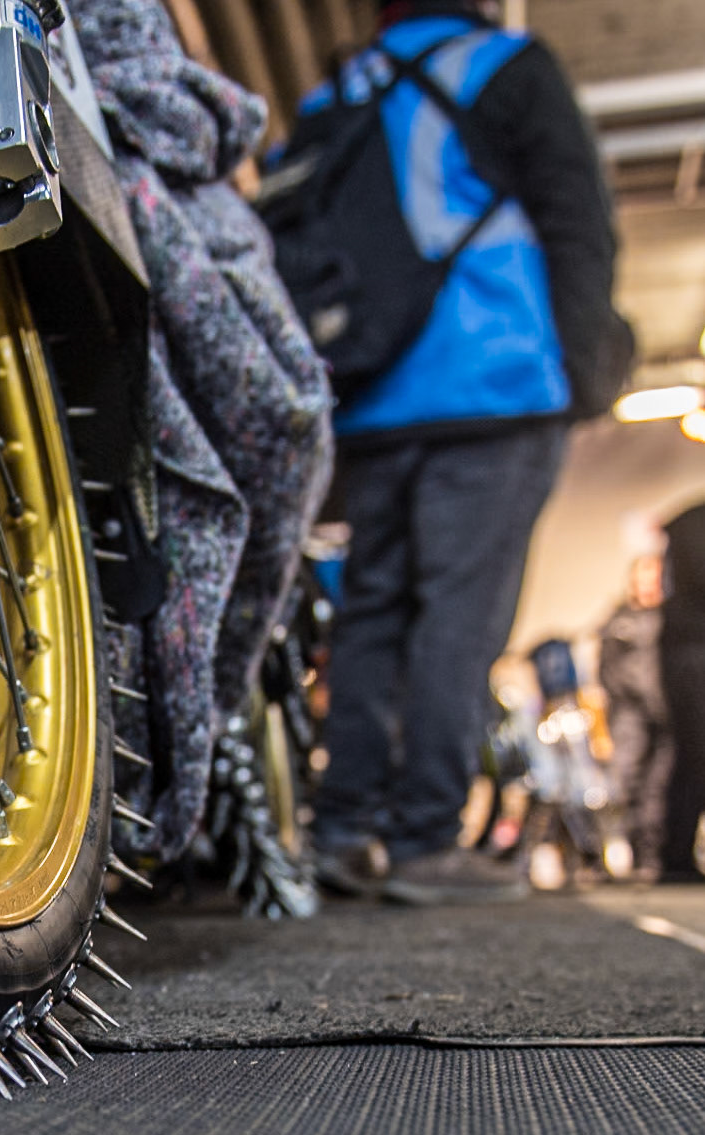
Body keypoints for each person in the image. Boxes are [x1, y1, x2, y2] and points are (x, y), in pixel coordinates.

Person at [307, 0, 618, 904]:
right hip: (491, 380)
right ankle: (424, 841)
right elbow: (578, 222)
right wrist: (587, 373)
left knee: (372, 609)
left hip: (369, 396)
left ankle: (342, 828)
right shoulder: (505, 67)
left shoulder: (344, 81)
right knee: (459, 615)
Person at [598, 554, 672, 879]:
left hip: (669, 714)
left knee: (661, 787)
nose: (648, 584)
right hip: (629, 713)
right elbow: (608, 672)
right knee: (622, 782)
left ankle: (652, 856)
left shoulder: (673, 619)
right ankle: (610, 856)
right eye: (643, 576)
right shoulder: (619, 621)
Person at [658, 506, 705, 883]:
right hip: (693, 654)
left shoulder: (688, 521)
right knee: (696, 754)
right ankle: (675, 854)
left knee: (691, 756)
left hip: (686, 653)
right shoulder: (695, 524)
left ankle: (676, 853)